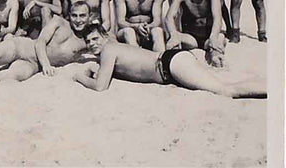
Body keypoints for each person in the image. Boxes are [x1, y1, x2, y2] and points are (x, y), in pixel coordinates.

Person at [72, 23, 266, 99]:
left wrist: (80, 77)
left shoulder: (109, 50)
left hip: (170, 65)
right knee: (225, 84)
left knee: (226, 91)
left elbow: (100, 87)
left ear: (105, 36)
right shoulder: (112, 50)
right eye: (88, 42)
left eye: (95, 39)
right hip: (172, 64)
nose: (92, 44)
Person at [165, 0, 226, 67]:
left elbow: (217, 18)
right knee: (173, 42)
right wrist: (173, 33)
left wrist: (213, 37)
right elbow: (169, 17)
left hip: (208, 36)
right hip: (191, 38)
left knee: (220, 38)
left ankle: (216, 61)